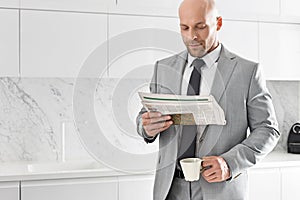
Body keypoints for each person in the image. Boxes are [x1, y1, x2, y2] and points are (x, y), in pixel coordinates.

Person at [136, 0, 280, 199]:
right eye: (184, 28)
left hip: (221, 189)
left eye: (200, 27)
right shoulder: (163, 68)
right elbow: (145, 115)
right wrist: (146, 127)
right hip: (169, 189)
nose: (192, 36)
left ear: (218, 23)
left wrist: (230, 163)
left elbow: (268, 130)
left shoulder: (248, 71)